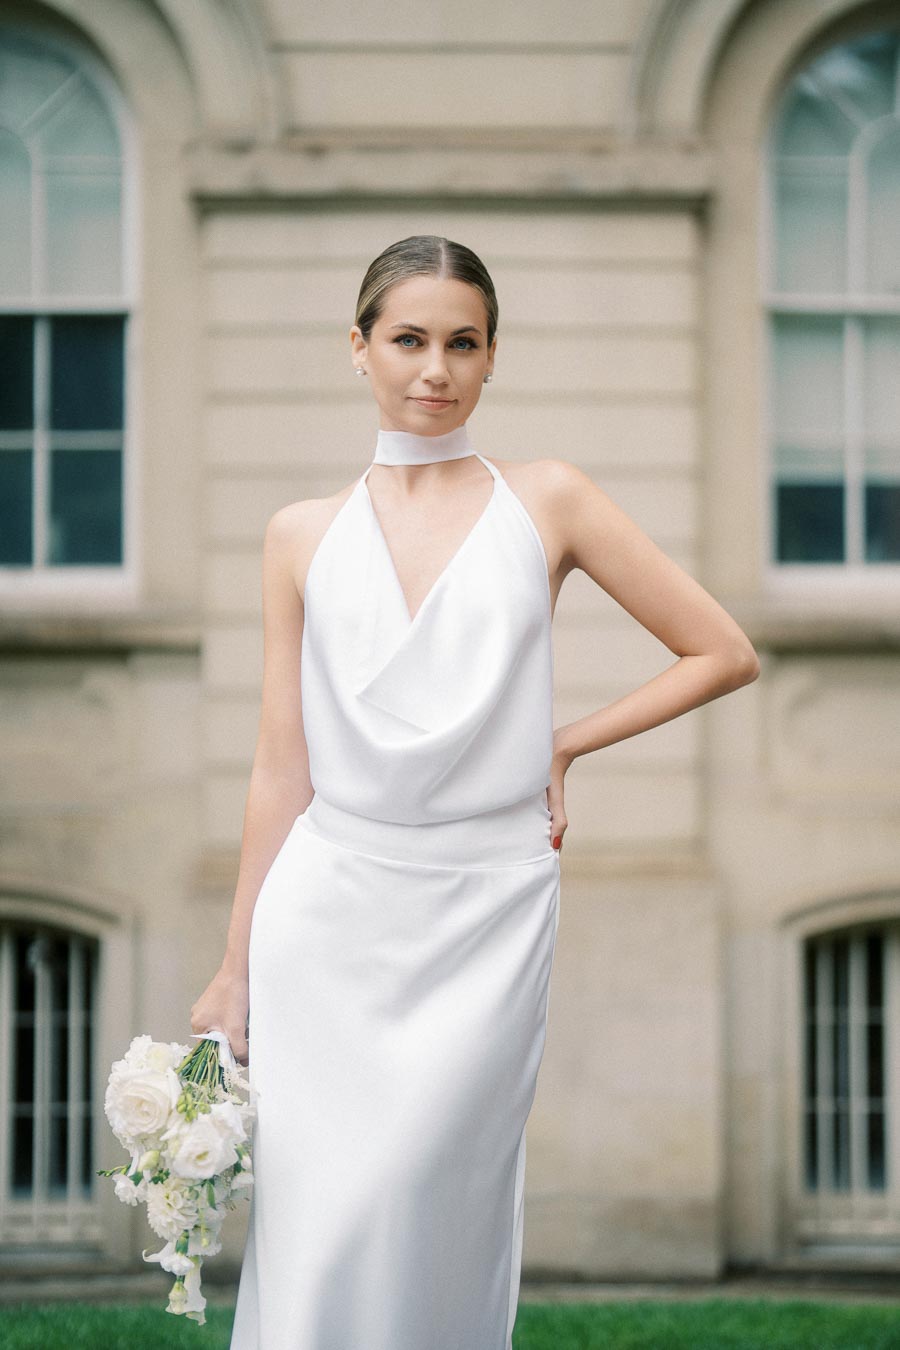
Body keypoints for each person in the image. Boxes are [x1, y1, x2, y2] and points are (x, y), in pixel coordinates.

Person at [191, 234, 760, 1350]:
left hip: (485, 909)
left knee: (426, 1201)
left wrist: (565, 745)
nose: (434, 369)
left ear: (494, 358)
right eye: (408, 339)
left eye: (464, 342)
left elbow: (723, 651)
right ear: (357, 349)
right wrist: (233, 964)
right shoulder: (297, 535)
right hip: (329, 908)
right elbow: (279, 763)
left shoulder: (549, 500)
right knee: (321, 1217)